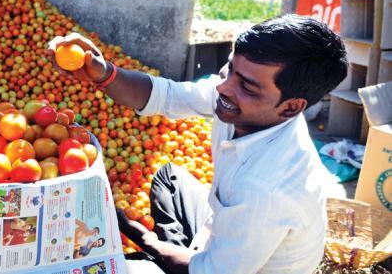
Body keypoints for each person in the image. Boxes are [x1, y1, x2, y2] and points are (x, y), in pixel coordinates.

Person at [48, 14, 348, 273]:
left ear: (292, 107)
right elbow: (165, 96)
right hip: (222, 233)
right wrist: (103, 73)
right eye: (230, 69)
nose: (222, 87)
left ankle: (167, 257)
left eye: (246, 86)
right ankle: (176, 254)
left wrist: (141, 236)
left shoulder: (267, 189)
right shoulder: (246, 104)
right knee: (170, 176)